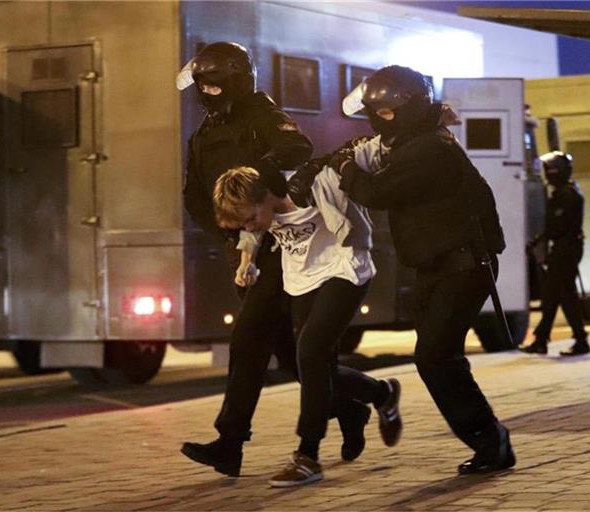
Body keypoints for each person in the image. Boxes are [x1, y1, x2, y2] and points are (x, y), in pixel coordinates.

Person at [175, 41, 374, 477]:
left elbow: (296, 149)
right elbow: (193, 196)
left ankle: (232, 442)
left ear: (236, 82)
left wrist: (258, 194)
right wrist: (232, 232)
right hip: (246, 248)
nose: (207, 92)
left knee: (249, 341)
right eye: (202, 86)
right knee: (291, 358)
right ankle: (353, 406)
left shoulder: (263, 116)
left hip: (281, 247)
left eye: (215, 85)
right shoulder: (204, 135)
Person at [323, 65, 516, 475]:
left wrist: (346, 170)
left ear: (407, 107)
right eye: (376, 113)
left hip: (460, 266)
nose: (379, 120)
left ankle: (491, 442)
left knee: (434, 357)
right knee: (436, 357)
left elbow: (378, 192)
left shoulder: (429, 149)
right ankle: (489, 440)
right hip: (440, 266)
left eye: (387, 112)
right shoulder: (419, 142)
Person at [213, 166, 402, 487]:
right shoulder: (260, 213)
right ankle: (381, 393)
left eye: (250, 217)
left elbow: (363, 160)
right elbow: (251, 233)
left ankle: (307, 455)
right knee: (315, 367)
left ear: (265, 196)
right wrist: (247, 263)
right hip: (302, 280)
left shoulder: (313, 186)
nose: (250, 226)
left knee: (311, 350)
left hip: (344, 271)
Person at [520, 151, 590, 356]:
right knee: (552, 296)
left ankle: (580, 340)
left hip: (564, 250)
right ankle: (542, 340)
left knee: (565, 296)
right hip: (567, 248)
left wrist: (538, 241)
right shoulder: (570, 191)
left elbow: (557, 226)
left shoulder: (564, 195)